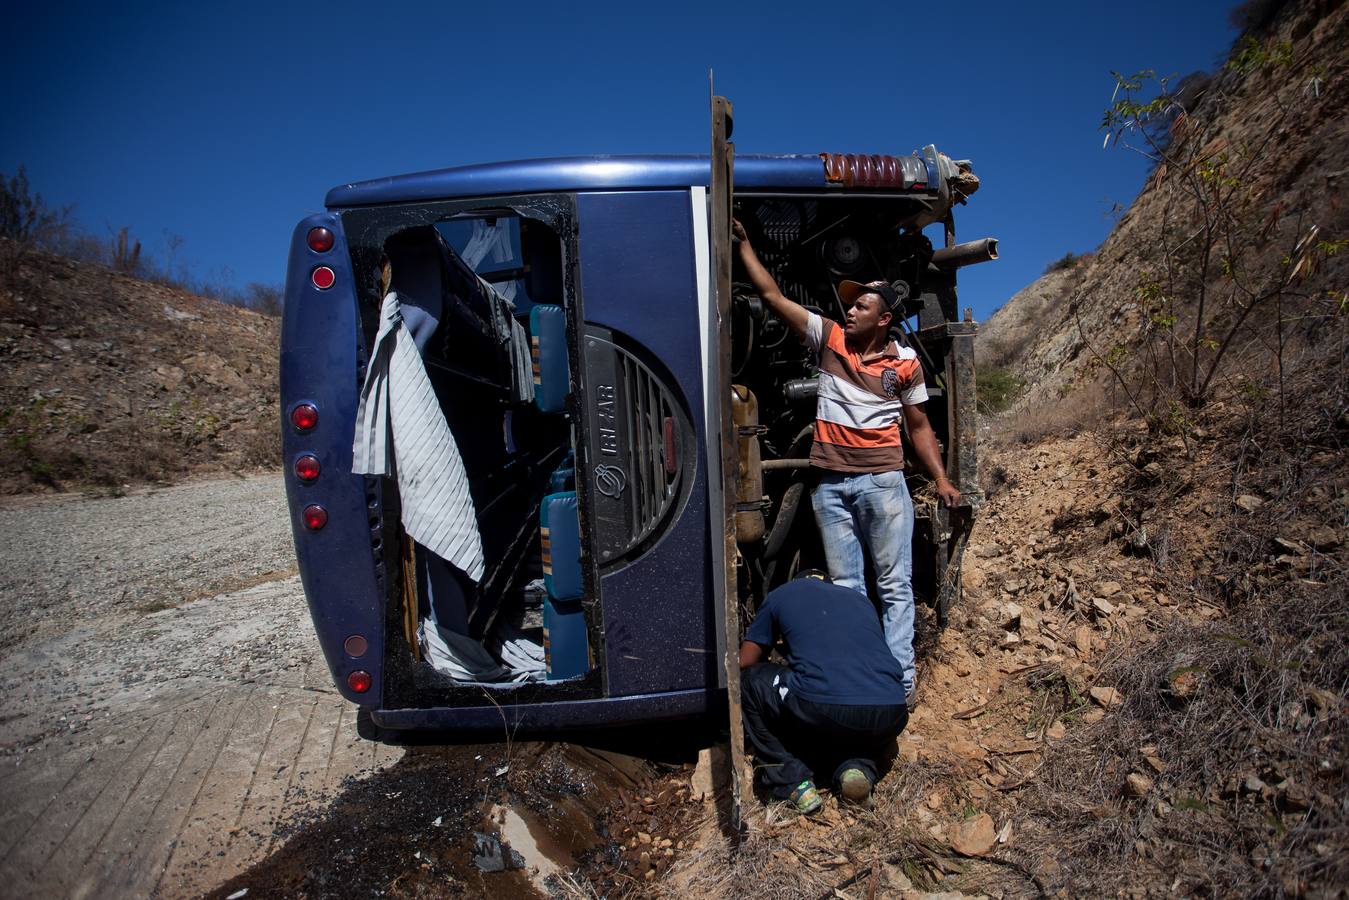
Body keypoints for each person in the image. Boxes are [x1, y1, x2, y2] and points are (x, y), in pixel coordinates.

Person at [732, 219, 961, 703]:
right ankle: (861, 678)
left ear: (884, 319)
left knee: (895, 586)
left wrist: (940, 477)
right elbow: (773, 296)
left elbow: (918, 425)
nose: (850, 309)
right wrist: (747, 247)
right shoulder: (829, 339)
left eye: (862, 304)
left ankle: (899, 683)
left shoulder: (906, 364)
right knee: (847, 589)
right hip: (831, 487)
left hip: (882, 484)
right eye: (851, 303)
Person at [739, 571, 909, 811]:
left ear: (799, 582)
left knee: (749, 681)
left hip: (822, 706)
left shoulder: (782, 594)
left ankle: (792, 781)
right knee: (848, 711)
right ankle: (856, 768)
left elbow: (746, 661)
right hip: (892, 708)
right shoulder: (860, 600)